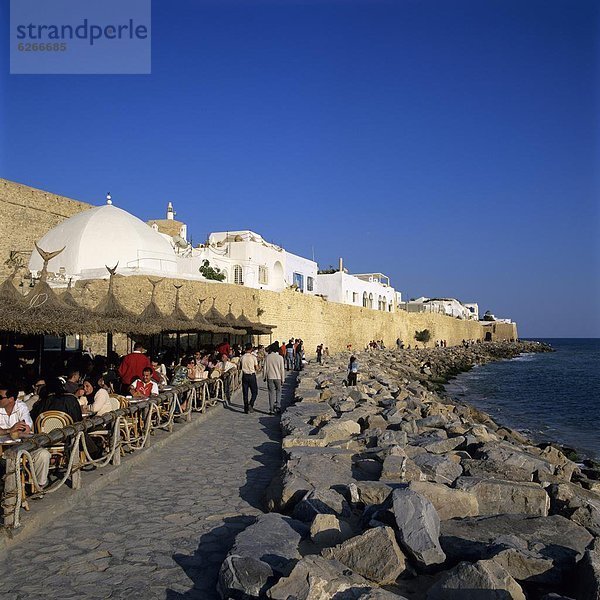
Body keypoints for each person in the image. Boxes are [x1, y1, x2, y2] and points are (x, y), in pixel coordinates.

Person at [0, 383, 51, 489]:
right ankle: (11, 491)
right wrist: (10, 430)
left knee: (43, 454)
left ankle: (38, 486)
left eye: (0, 397)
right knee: (9, 461)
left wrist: (15, 431)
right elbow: (16, 431)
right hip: (2, 450)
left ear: (11, 399)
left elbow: (26, 429)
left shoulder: (21, 406)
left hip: (21, 447)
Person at [264, 342, 285, 415]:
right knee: (279, 391)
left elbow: (265, 368)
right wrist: (283, 379)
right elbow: (282, 369)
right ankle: (278, 406)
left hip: (270, 377)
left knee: (271, 393)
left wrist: (264, 377)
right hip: (278, 377)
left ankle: (271, 409)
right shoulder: (280, 358)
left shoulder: (268, 357)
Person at [240, 343, 258, 414]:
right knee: (255, 392)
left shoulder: (242, 357)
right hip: (251, 376)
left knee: (245, 393)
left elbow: (240, 367)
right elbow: (256, 367)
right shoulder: (253, 357)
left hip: (244, 376)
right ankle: (251, 404)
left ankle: (246, 408)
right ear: (251, 349)